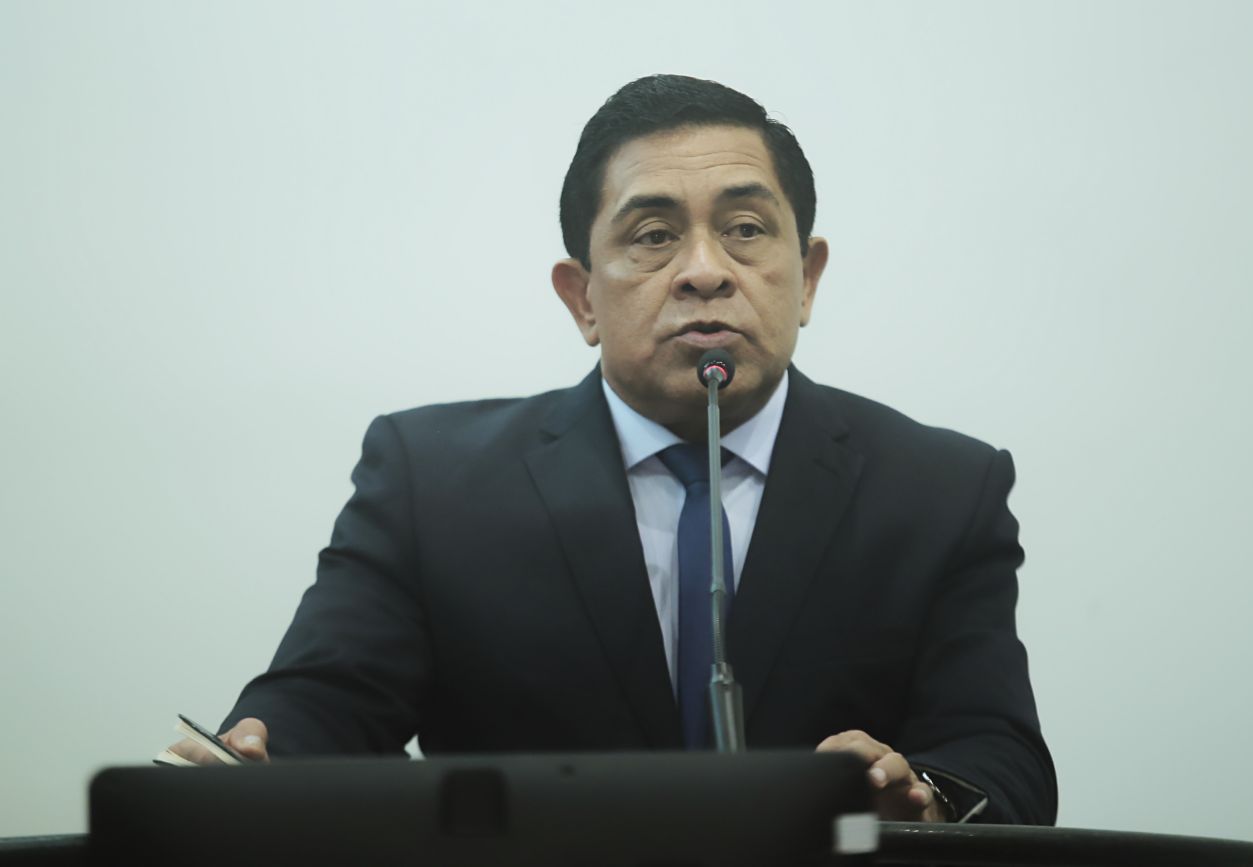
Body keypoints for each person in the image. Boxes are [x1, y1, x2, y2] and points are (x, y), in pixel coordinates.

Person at [169, 74, 1057, 825]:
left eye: (747, 229)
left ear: (808, 278)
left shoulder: (941, 489)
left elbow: (1000, 752)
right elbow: (324, 702)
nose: (705, 270)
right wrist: (255, 758)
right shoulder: (431, 480)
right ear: (582, 298)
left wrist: (925, 796)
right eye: (654, 235)